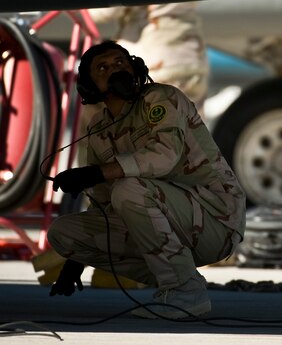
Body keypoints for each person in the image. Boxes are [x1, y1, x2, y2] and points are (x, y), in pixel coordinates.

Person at [47, 41, 246, 319]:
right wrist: (76, 262)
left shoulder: (161, 99)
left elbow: (165, 156)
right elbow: (104, 203)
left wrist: (96, 172)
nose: (114, 70)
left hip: (216, 220)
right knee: (63, 232)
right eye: (102, 68)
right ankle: (175, 278)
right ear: (90, 86)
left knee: (129, 189)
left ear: (135, 67)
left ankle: (185, 290)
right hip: (166, 225)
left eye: (120, 63)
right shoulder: (99, 130)